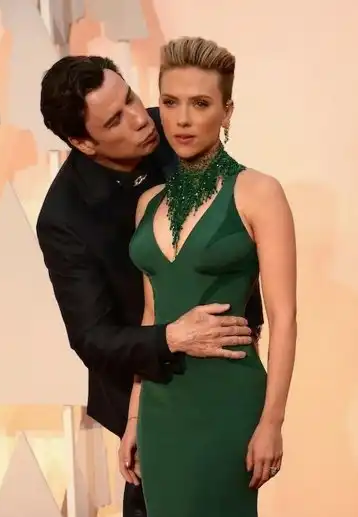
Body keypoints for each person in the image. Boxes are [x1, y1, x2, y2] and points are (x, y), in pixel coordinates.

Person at [36, 55, 265, 517]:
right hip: (144, 385)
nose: (141, 118)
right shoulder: (64, 218)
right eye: (115, 120)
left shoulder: (174, 125)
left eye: (131, 98)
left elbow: (234, 220)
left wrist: (248, 322)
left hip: (225, 369)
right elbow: (92, 336)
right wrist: (173, 338)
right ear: (82, 142)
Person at [121, 37, 297, 517]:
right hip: (160, 408)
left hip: (228, 401)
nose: (182, 119)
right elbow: (152, 315)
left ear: (226, 112)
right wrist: (134, 416)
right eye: (170, 102)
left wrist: (272, 422)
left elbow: (284, 318)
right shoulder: (148, 202)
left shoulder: (259, 192)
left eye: (200, 104)